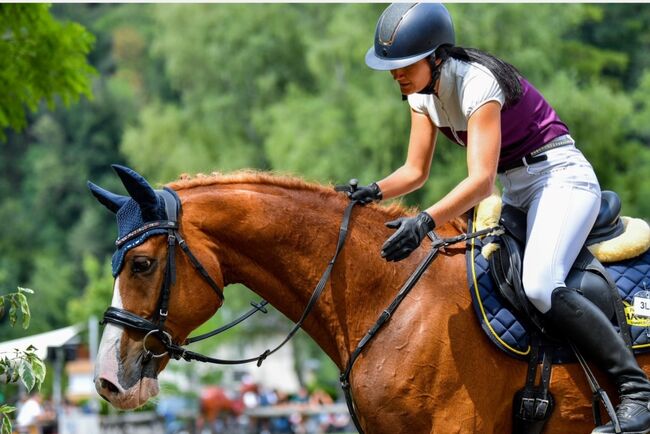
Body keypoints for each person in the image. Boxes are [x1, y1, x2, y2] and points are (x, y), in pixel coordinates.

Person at [350, 3, 650, 433]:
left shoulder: (477, 82)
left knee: (541, 283)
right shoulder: (421, 96)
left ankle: (637, 392)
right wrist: (374, 191)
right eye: (390, 66)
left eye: (404, 64)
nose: (395, 74)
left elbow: (479, 182)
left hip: (561, 177)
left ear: (436, 56)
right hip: (521, 189)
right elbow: (415, 171)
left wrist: (425, 221)